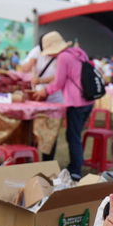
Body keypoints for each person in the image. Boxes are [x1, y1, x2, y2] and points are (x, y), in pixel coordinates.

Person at [33, 31, 94, 180]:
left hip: (76, 102)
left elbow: (58, 82)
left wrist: (44, 92)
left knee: (72, 136)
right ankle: (75, 165)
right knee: (75, 135)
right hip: (88, 100)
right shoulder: (78, 52)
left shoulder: (63, 57)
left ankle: (75, 170)